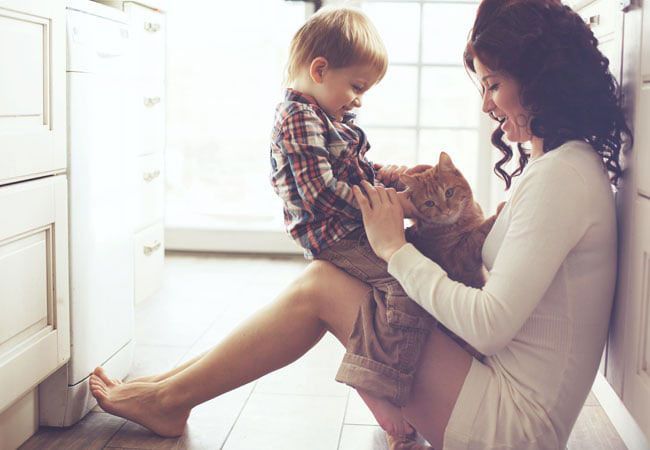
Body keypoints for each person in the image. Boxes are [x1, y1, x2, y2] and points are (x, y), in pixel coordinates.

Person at [89, 0, 631, 448]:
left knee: (322, 286)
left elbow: (489, 324)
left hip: (510, 426)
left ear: (539, 79)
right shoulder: (560, 166)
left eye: (492, 84)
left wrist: (397, 249)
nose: (487, 103)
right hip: (501, 389)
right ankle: (167, 387)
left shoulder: (561, 177)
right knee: (324, 281)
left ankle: (168, 397)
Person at [269, 6, 438, 444]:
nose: (359, 99)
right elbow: (322, 192)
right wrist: (389, 207)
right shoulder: (297, 118)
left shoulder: (329, 117)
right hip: (333, 233)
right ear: (320, 69)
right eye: (357, 86)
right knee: (404, 284)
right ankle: (379, 390)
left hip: (349, 225)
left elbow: (355, 171)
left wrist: (390, 179)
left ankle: (390, 374)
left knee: (410, 273)